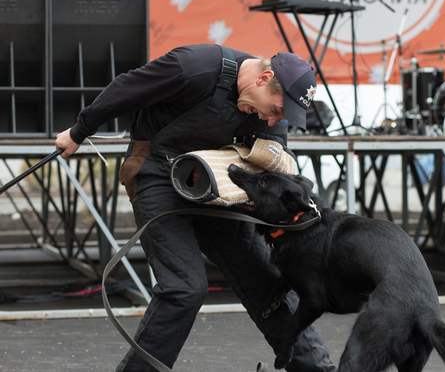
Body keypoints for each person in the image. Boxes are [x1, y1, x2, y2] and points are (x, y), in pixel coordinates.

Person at [55, 43, 336, 372]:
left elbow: (275, 161)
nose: (273, 119)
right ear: (263, 78)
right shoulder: (196, 67)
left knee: (267, 280)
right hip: (157, 176)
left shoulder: (270, 114)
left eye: (282, 116)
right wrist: (79, 131)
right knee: (185, 288)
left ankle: (318, 370)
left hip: (218, 187)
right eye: (275, 110)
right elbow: (127, 88)